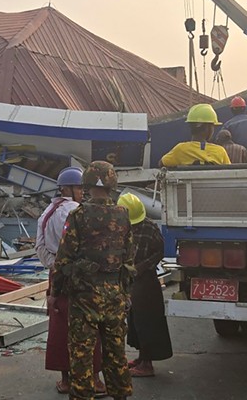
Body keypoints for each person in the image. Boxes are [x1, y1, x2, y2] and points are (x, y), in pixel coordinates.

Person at [53, 161, 135, 400]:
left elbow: (63, 259)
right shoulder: (123, 215)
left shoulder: (78, 216)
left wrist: (56, 292)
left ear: (87, 184)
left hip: (85, 295)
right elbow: (129, 258)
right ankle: (120, 395)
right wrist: (125, 291)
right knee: (115, 351)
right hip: (115, 294)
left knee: (82, 354)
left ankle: (83, 396)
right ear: (112, 185)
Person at [35, 167, 105, 395]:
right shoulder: (76, 211)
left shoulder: (45, 213)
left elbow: (40, 247)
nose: (82, 193)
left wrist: (55, 266)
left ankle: (65, 380)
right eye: (78, 188)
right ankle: (93, 380)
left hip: (56, 275)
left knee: (58, 329)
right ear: (67, 188)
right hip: (79, 277)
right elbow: (88, 246)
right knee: (88, 327)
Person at [117, 193, 173, 378]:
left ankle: (147, 364)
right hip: (130, 281)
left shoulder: (148, 227)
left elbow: (159, 251)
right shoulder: (121, 227)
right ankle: (142, 357)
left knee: (146, 321)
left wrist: (142, 267)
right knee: (135, 321)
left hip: (145, 281)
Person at [160, 103, 230, 167]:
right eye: (212, 126)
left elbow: (162, 163)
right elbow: (230, 172)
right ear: (207, 127)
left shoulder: (180, 149)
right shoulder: (220, 152)